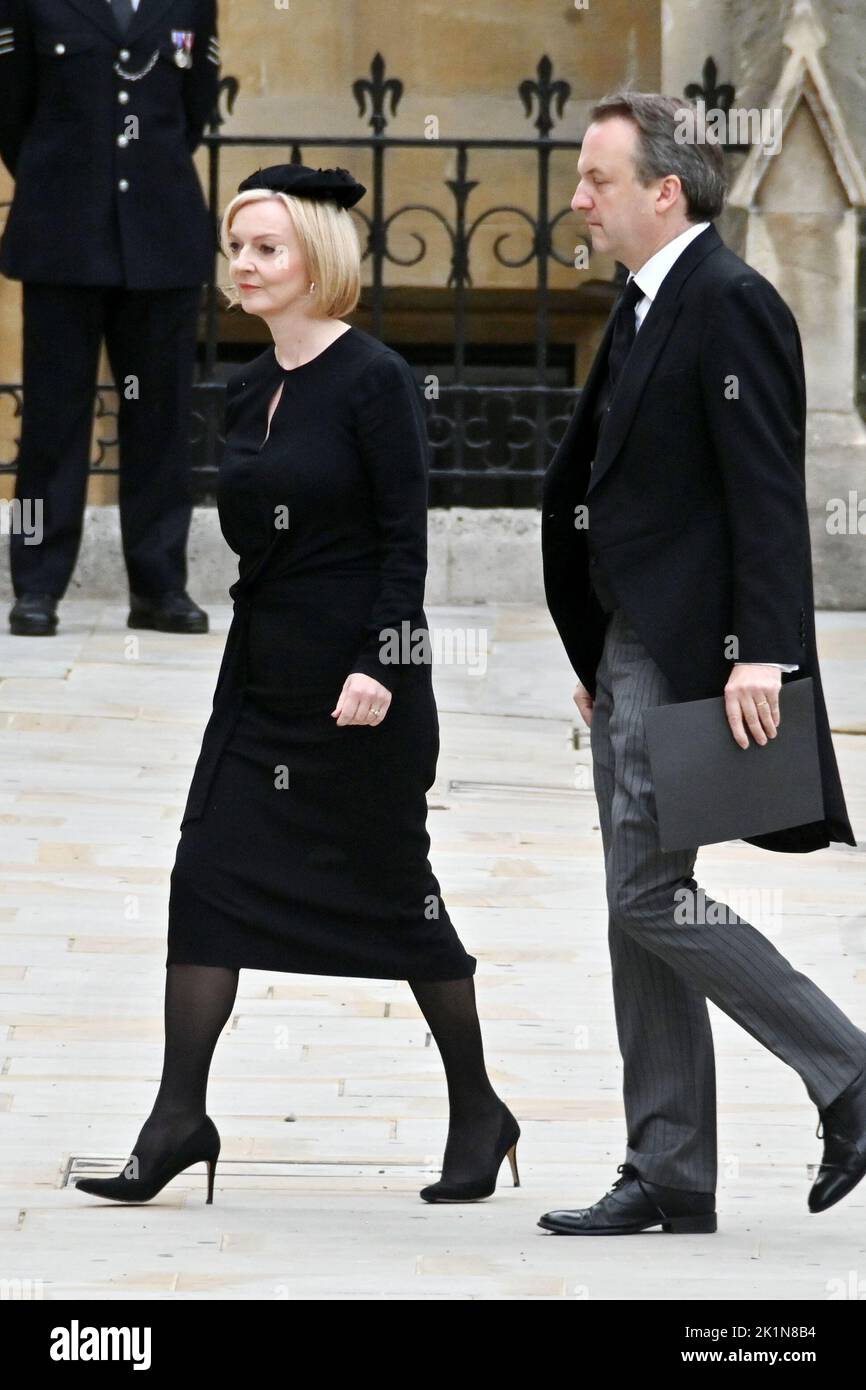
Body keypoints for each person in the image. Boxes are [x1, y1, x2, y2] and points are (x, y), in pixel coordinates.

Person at [74, 162, 520, 1207]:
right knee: (206, 878)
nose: (243, 263)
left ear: (318, 257)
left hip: (358, 691)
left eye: (265, 246)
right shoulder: (246, 384)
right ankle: (178, 1118)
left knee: (400, 903)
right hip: (262, 678)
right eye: (236, 247)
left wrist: (380, 661)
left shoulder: (375, 379)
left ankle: (477, 1107)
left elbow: (403, 543)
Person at [538, 92, 866, 1236]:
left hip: (695, 653)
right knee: (635, 903)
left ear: (661, 191)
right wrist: (596, 640)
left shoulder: (729, 303)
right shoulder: (641, 304)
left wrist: (763, 654)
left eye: (595, 180)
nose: (576, 199)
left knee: (644, 892)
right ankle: (668, 1166)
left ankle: (845, 1066)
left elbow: (766, 494)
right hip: (633, 642)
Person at [0, 0, 217, 636]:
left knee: (160, 421)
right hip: (63, 238)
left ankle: (159, 588)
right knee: (52, 425)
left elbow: (193, 107)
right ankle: (37, 586)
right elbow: (11, 110)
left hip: (161, 237)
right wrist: (62, 179)